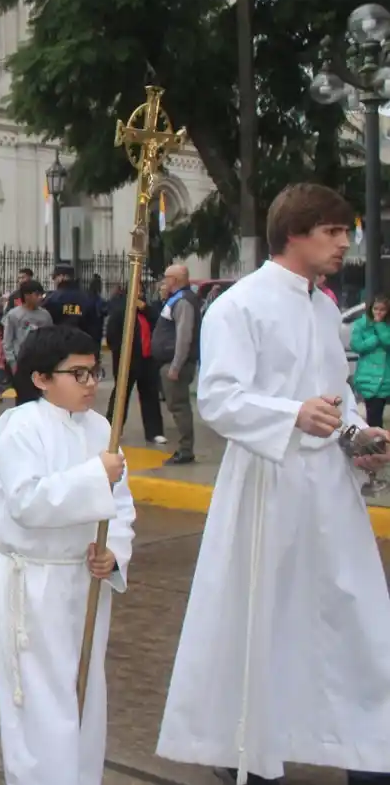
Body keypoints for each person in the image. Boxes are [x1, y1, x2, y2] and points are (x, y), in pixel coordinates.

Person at [156, 184, 390, 785]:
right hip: (269, 484)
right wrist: (291, 415)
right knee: (264, 616)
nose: (345, 243)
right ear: (295, 233)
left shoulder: (321, 306)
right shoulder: (241, 304)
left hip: (329, 492)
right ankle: (247, 749)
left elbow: (339, 395)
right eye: (333, 232)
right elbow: (220, 398)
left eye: (346, 232)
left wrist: (359, 435)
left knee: (352, 616)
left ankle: (364, 747)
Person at [0, 323, 133, 785]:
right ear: (42, 379)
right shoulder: (19, 427)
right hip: (36, 581)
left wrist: (115, 553)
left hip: (84, 577)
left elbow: (122, 506)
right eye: (79, 374)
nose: (92, 384)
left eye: (95, 373)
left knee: (84, 692)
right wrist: (94, 476)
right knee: (42, 698)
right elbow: (26, 502)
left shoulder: (101, 429)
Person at [103, 290, 166, 446]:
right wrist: (122, 352)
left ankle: (154, 432)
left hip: (147, 360)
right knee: (120, 396)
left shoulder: (147, 311)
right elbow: (112, 336)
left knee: (150, 396)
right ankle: (112, 429)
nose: (140, 293)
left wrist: (144, 308)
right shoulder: (120, 312)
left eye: (142, 290)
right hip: (128, 361)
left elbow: (158, 321)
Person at [155, 264, 202, 464]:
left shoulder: (183, 302)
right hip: (169, 362)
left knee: (179, 406)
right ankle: (184, 447)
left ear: (174, 280)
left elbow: (184, 337)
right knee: (176, 406)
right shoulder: (176, 300)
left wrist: (175, 366)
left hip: (175, 365)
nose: (164, 282)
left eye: (166, 278)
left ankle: (185, 449)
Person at [4, 281, 53, 405]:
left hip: (40, 363)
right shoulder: (14, 315)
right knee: (23, 401)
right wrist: (13, 363)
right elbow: (8, 341)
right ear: (27, 296)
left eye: (41, 295)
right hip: (21, 363)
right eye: (37, 295)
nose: (40, 298)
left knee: (40, 399)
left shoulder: (45, 315)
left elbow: (51, 338)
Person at [352, 295, 390, 429]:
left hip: (385, 378)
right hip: (368, 377)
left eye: (382, 310)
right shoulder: (361, 324)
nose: (378, 313)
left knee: (378, 416)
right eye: (376, 309)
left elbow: (388, 341)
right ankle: (373, 446)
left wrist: (379, 327)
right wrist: (375, 338)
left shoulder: (387, 326)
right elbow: (357, 346)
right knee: (373, 417)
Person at [43, 264, 103, 345]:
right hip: (83, 345)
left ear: (62, 277)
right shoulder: (87, 297)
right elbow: (95, 325)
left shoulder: (52, 298)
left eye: (54, 277)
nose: (54, 281)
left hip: (58, 346)